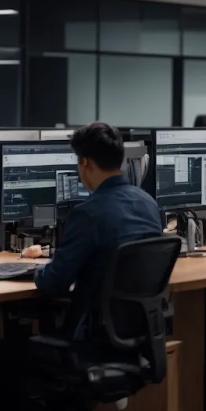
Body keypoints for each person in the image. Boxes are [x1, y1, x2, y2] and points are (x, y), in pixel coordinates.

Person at [23, 121, 164, 341]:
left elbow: (54, 284)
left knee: (10, 350)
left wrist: (35, 269)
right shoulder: (148, 204)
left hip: (93, 338)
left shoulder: (87, 214)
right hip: (139, 332)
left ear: (85, 163)